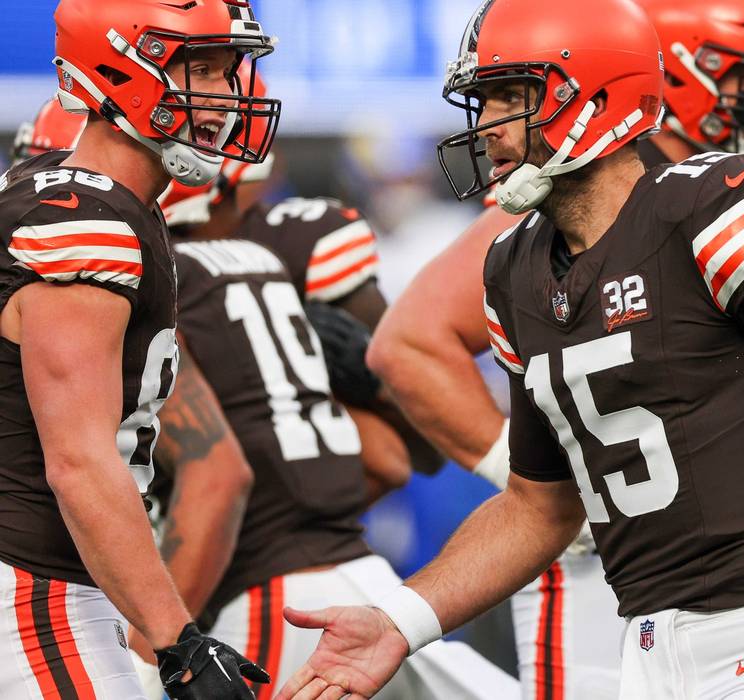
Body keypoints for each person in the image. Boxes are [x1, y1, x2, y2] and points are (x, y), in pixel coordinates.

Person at [280, 1, 744, 698]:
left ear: (597, 97)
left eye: (512, 96)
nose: (487, 125)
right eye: (482, 100)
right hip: (643, 643)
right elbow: (540, 506)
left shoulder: (709, 205)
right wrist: (398, 621)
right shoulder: (513, 268)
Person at [3, 82, 512, 698]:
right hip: (350, 579)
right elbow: (392, 456)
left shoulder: (155, 266)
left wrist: (168, 642)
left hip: (254, 592)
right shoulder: (241, 256)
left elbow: (215, 479)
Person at [0, 0, 280, 697]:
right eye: (199, 68)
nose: (224, 95)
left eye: (227, 69)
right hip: (32, 585)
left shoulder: (109, 204)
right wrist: (177, 642)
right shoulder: (82, 220)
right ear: (116, 68)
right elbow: (78, 460)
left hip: (58, 580)